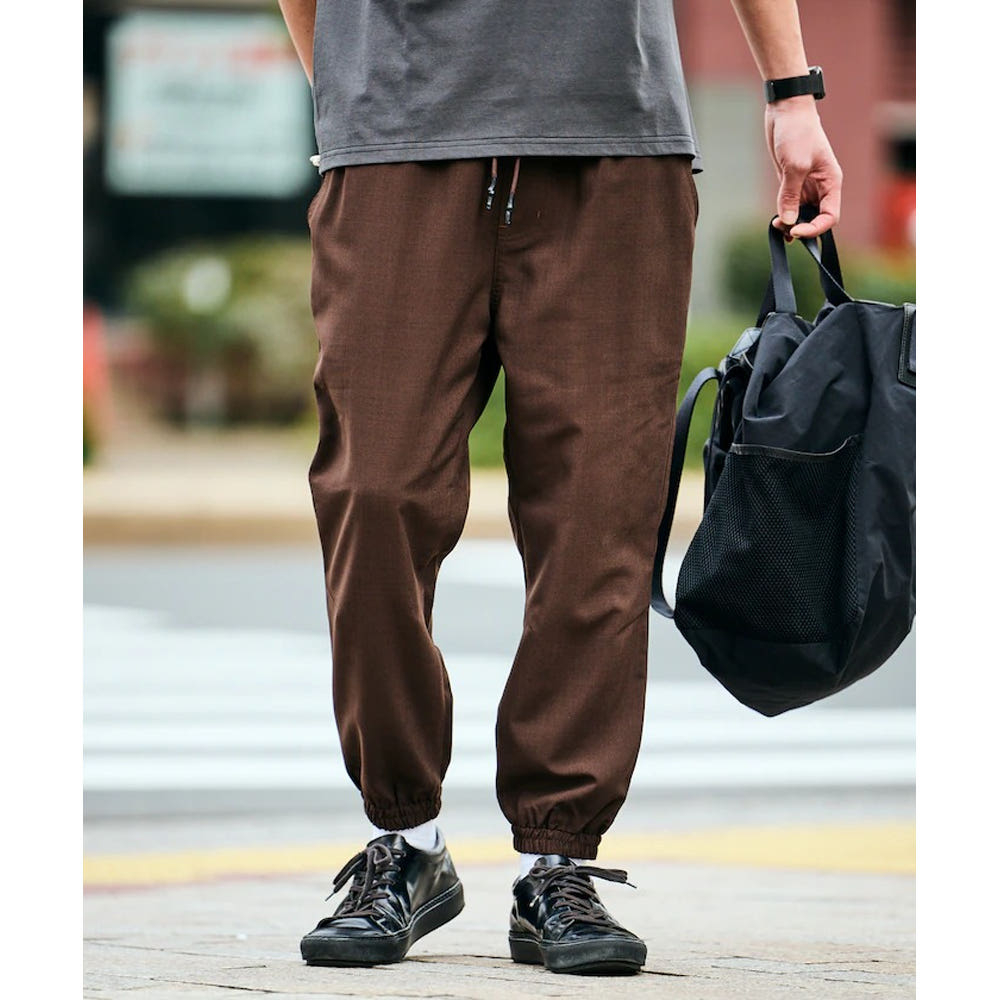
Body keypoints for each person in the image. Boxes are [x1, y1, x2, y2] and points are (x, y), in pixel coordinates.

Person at [277, 0, 842, 976]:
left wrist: (792, 92)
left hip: (614, 139)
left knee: (596, 515)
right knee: (373, 492)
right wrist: (349, 95)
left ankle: (559, 858)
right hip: (398, 140)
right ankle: (405, 840)